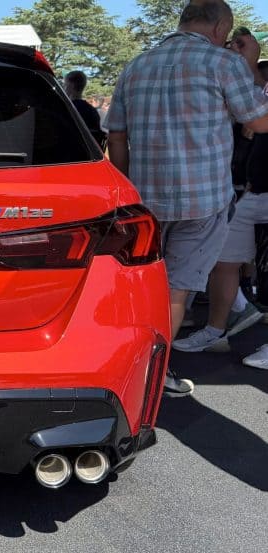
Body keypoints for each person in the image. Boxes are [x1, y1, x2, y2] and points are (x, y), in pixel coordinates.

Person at [105, 0, 268, 395]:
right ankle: (152, 378)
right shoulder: (222, 62)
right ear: (218, 29)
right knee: (176, 290)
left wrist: (128, 192)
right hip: (203, 200)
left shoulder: (137, 65)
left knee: (143, 288)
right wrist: (250, 61)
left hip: (145, 201)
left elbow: (116, 137)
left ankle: (124, 369)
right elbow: (259, 121)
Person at [173, 28, 268, 356]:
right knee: (222, 260)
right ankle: (215, 329)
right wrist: (248, 65)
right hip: (253, 191)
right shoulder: (253, 86)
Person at [64, 71, 102, 136]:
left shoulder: (66, 109)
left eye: (65, 84)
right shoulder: (92, 111)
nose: (64, 88)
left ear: (71, 85)